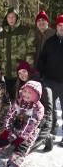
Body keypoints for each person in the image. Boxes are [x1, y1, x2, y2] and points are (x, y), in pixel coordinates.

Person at [0, 7, 34, 100]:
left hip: (21, 73)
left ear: (17, 18)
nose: (11, 19)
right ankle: (12, 113)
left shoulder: (26, 30)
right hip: (7, 72)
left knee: (22, 98)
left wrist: (29, 69)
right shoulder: (1, 34)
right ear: (6, 18)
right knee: (10, 98)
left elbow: (31, 51)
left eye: (13, 17)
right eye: (9, 17)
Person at [37, 14, 63, 146]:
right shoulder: (50, 42)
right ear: (56, 26)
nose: (62, 27)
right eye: (60, 25)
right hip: (50, 81)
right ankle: (51, 131)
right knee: (50, 108)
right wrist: (40, 74)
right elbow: (42, 59)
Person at [16, 61, 53, 152]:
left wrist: (40, 123)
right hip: (27, 117)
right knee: (16, 142)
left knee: (25, 148)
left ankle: (46, 137)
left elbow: (48, 110)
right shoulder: (21, 86)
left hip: (42, 119)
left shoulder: (42, 86)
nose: (22, 75)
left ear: (29, 71)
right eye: (19, 73)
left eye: (24, 71)